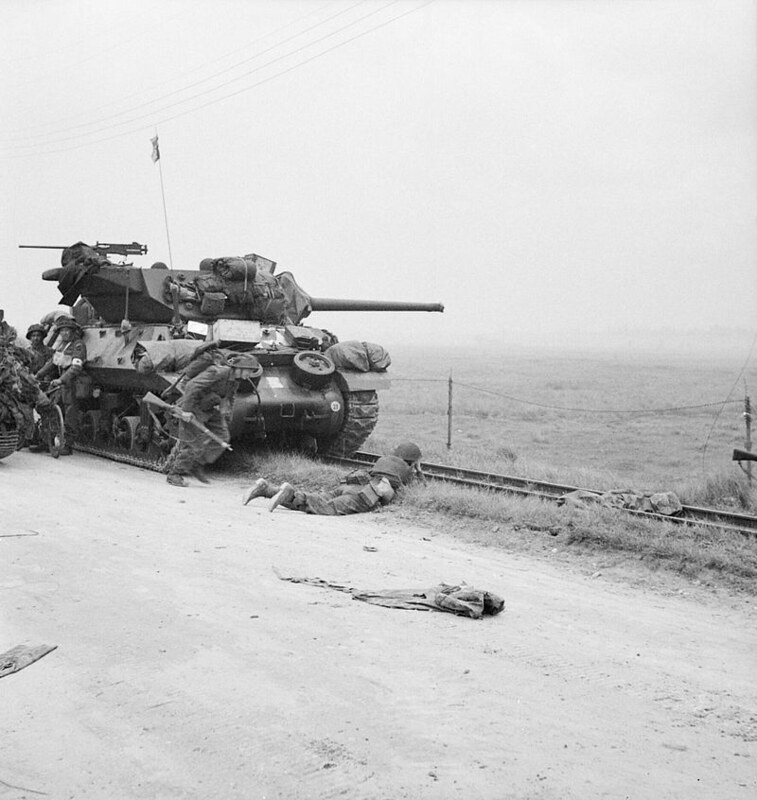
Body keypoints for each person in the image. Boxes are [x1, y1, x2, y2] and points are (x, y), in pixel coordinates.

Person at [242, 441, 424, 515]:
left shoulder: (383, 461)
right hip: (363, 495)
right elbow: (419, 487)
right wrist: (418, 470)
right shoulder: (405, 471)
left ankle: (267, 489)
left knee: (318, 499)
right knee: (322, 508)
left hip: (351, 485)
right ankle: (286, 492)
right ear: (412, 462)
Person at [166, 349, 260, 487]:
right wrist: (186, 411)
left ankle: (196, 464)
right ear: (240, 368)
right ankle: (175, 473)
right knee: (194, 443)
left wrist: (227, 416)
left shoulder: (234, 381)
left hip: (209, 408)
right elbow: (192, 386)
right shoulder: (218, 373)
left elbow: (229, 398)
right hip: (193, 407)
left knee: (222, 437)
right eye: (249, 370)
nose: (250, 374)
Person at [34, 317, 86, 455]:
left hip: (72, 384)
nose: (64, 334)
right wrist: (38, 375)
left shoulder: (78, 345)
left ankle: (68, 445)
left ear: (73, 332)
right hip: (62, 383)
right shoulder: (62, 346)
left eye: (67, 331)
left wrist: (61, 380)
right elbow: (53, 362)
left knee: (70, 413)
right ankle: (47, 441)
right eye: (62, 331)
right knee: (50, 408)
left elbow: (75, 367)